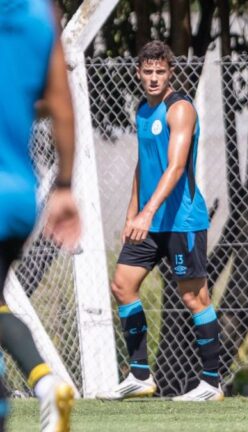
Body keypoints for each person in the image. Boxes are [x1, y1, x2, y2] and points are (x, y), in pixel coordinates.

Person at [96, 41, 221, 402]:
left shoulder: (179, 109)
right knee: (122, 284)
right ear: (138, 73)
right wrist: (132, 212)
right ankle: (139, 376)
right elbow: (143, 163)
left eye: (160, 72)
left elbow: (176, 166)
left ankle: (211, 384)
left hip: (182, 220)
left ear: (171, 74)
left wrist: (147, 212)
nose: (153, 78)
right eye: (147, 72)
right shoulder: (141, 110)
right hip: (149, 220)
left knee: (193, 297)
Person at [0, 1, 80, 430]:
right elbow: (61, 105)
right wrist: (64, 187)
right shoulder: (38, 18)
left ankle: (46, 385)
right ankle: (46, 384)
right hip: (18, 195)